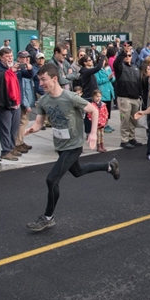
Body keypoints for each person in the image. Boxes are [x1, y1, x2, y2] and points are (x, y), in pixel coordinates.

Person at [24, 63, 120, 232]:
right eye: (39, 80)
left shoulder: (71, 97)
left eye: (43, 80)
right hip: (60, 145)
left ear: (54, 79)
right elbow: (38, 123)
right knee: (78, 171)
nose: (41, 84)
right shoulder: (44, 101)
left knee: (51, 179)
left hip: (74, 145)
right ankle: (109, 166)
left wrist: (91, 133)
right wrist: (31, 130)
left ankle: (48, 217)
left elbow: (94, 110)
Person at [0, 47, 34, 160]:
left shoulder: (17, 67)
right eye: (7, 56)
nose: (10, 58)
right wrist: (11, 71)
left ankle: (11, 147)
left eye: (11, 56)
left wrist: (29, 68)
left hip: (16, 103)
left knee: (14, 128)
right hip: (3, 103)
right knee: (5, 128)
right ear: (1, 57)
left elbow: (29, 76)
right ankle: (5, 151)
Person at [113, 44, 143, 149]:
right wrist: (123, 52)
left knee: (133, 120)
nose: (127, 57)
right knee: (125, 119)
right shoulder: (120, 67)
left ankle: (131, 137)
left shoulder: (136, 69)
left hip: (135, 98)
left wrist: (140, 95)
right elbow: (116, 63)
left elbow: (139, 83)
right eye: (126, 55)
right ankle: (124, 140)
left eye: (130, 55)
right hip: (124, 97)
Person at [95, 56, 115, 133]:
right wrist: (107, 78)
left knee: (108, 111)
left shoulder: (108, 68)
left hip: (109, 92)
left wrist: (111, 77)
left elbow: (113, 79)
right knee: (102, 110)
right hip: (102, 93)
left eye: (104, 61)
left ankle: (106, 124)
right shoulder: (97, 70)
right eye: (101, 60)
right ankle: (102, 125)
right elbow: (98, 81)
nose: (103, 62)